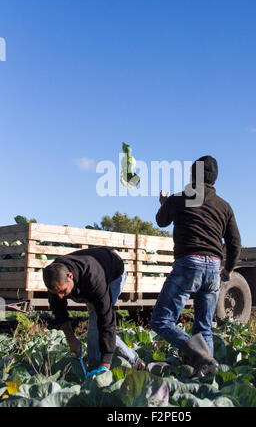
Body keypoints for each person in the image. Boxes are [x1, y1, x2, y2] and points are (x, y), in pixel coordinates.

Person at [150, 155, 241, 378]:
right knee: (204, 327)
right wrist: (228, 270)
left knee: (161, 320)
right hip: (214, 268)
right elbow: (235, 242)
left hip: (189, 263)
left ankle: (199, 355)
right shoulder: (224, 206)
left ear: (192, 177)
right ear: (214, 181)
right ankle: (207, 376)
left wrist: (165, 203)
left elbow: (161, 221)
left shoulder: (180, 199)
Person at [43, 246, 145, 374]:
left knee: (97, 323)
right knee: (95, 327)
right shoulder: (55, 278)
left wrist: (105, 364)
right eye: (56, 293)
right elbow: (59, 311)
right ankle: (97, 362)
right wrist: (71, 339)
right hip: (84, 281)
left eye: (63, 291)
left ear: (70, 276)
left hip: (113, 273)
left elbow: (106, 319)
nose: (61, 296)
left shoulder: (94, 278)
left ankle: (128, 362)